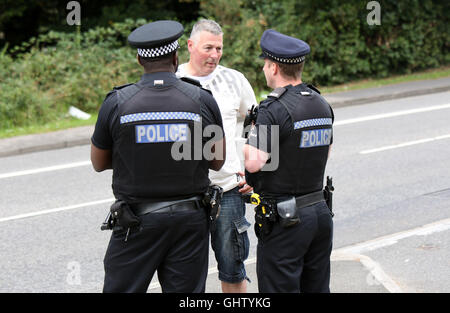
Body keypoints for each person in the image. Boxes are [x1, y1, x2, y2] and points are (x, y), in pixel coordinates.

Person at [90, 20, 225, 293]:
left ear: (140, 59)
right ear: (176, 58)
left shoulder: (117, 102)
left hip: (136, 222)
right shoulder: (201, 100)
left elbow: (99, 162)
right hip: (190, 220)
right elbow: (217, 160)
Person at [243, 29, 334, 293]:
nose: (263, 68)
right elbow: (325, 151)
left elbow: (254, 164)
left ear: (273, 67)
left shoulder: (272, 109)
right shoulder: (320, 102)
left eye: (264, 64)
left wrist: (249, 138)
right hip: (319, 212)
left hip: (286, 220)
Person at [176, 19, 257, 293]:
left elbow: (258, 125)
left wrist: (257, 173)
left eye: (219, 48)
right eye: (208, 47)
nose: (214, 54)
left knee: (233, 268)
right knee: (184, 272)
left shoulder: (234, 80)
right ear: (190, 45)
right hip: (184, 195)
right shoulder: (172, 81)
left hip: (229, 190)